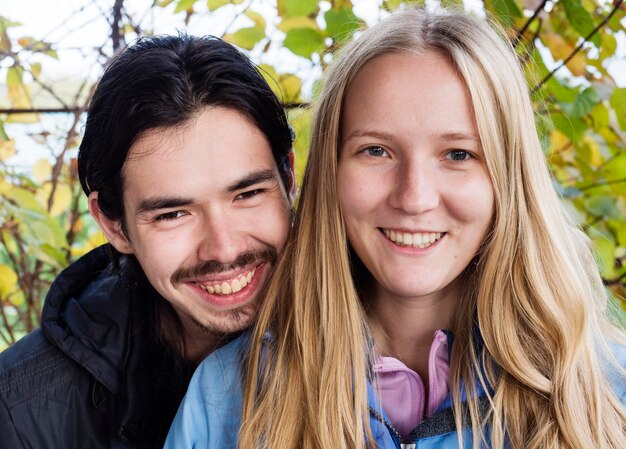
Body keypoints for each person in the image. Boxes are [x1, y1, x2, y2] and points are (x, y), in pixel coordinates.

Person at [164, 7, 626, 449]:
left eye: (458, 154)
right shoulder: (228, 397)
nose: (414, 197)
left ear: (508, 178)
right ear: (330, 169)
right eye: (376, 151)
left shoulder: (605, 392)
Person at [0, 34, 295, 449]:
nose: (224, 248)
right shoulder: (21, 414)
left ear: (289, 178)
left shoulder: (386, 345)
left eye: (247, 195)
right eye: (173, 214)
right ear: (114, 225)